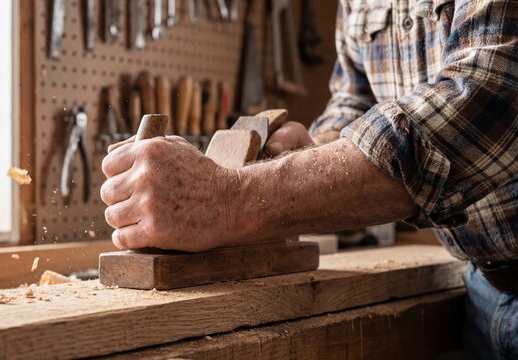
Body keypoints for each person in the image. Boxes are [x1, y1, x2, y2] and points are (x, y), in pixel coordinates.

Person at [100, 0, 517, 358]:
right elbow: (358, 102)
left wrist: (228, 199)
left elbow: (489, 98)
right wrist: (309, 152)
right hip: (483, 288)